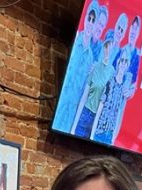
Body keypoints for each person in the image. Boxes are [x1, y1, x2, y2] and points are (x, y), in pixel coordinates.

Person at [51, 2, 103, 134]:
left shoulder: (91, 57)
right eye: (89, 19)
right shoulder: (74, 44)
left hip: (73, 110)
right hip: (62, 105)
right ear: (85, 19)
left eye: (93, 20)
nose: (90, 23)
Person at [70, 38, 116, 138]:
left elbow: (108, 98)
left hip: (98, 121)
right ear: (104, 49)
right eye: (108, 47)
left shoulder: (112, 72)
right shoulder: (95, 67)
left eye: (112, 48)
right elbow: (83, 98)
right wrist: (73, 128)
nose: (109, 51)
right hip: (85, 114)